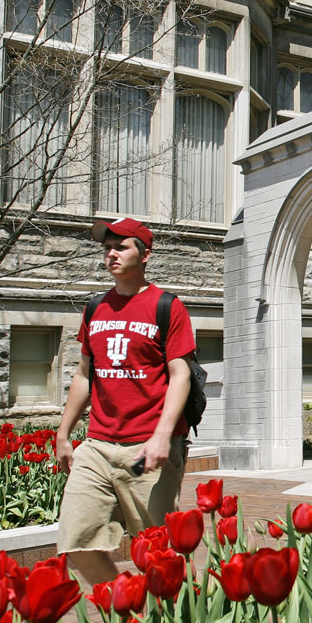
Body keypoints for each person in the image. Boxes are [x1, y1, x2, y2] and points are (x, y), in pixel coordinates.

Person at [55, 218, 195, 585]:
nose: (112, 253)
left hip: (147, 449)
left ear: (146, 254)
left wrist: (163, 435)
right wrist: (64, 433)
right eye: (108, 247)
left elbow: (180, 375)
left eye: (122, 246)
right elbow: (85, 374)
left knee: (159, 554)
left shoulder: (167, 306)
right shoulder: (95, 308)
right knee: (77, 542)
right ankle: (125, 606)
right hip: (98, 446)